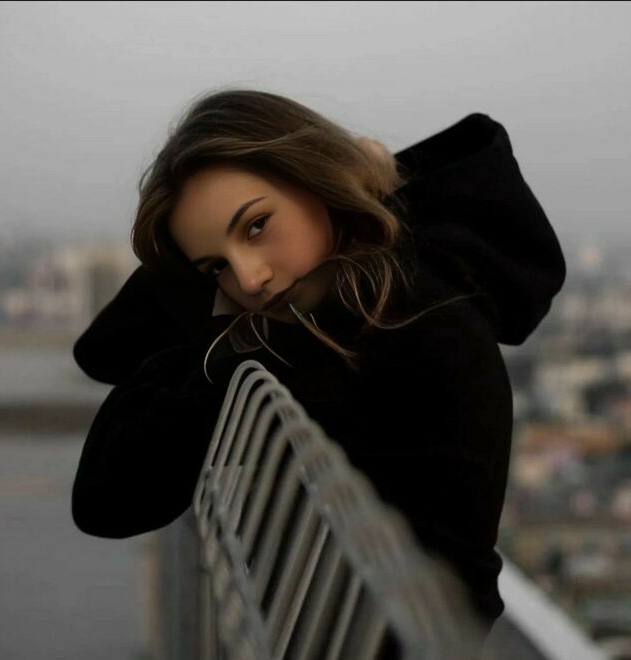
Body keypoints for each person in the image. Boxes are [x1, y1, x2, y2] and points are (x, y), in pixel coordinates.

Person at [70, 88, 566, 641]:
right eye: (216, 267)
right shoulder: (384, 286)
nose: (250, 278)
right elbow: (103, 352)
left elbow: (107, 495)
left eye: (256, 225)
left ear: (317, 180)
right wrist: (369, 181)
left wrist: (226, 344)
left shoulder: (382, 322)